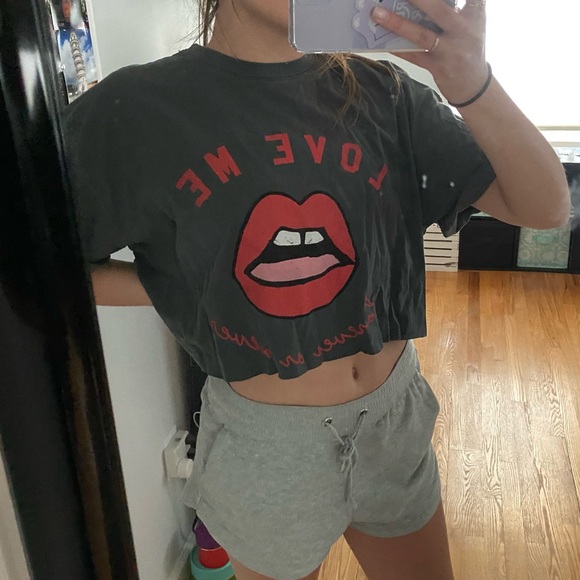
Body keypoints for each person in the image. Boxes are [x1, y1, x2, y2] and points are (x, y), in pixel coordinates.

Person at [61, 1, 571, 579]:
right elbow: (48, 267)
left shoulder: (385, 94)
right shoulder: (135, 112)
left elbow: (546, 208)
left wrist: (471, 82)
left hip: (393, 419)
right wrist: (183, 289)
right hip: (270, 447)